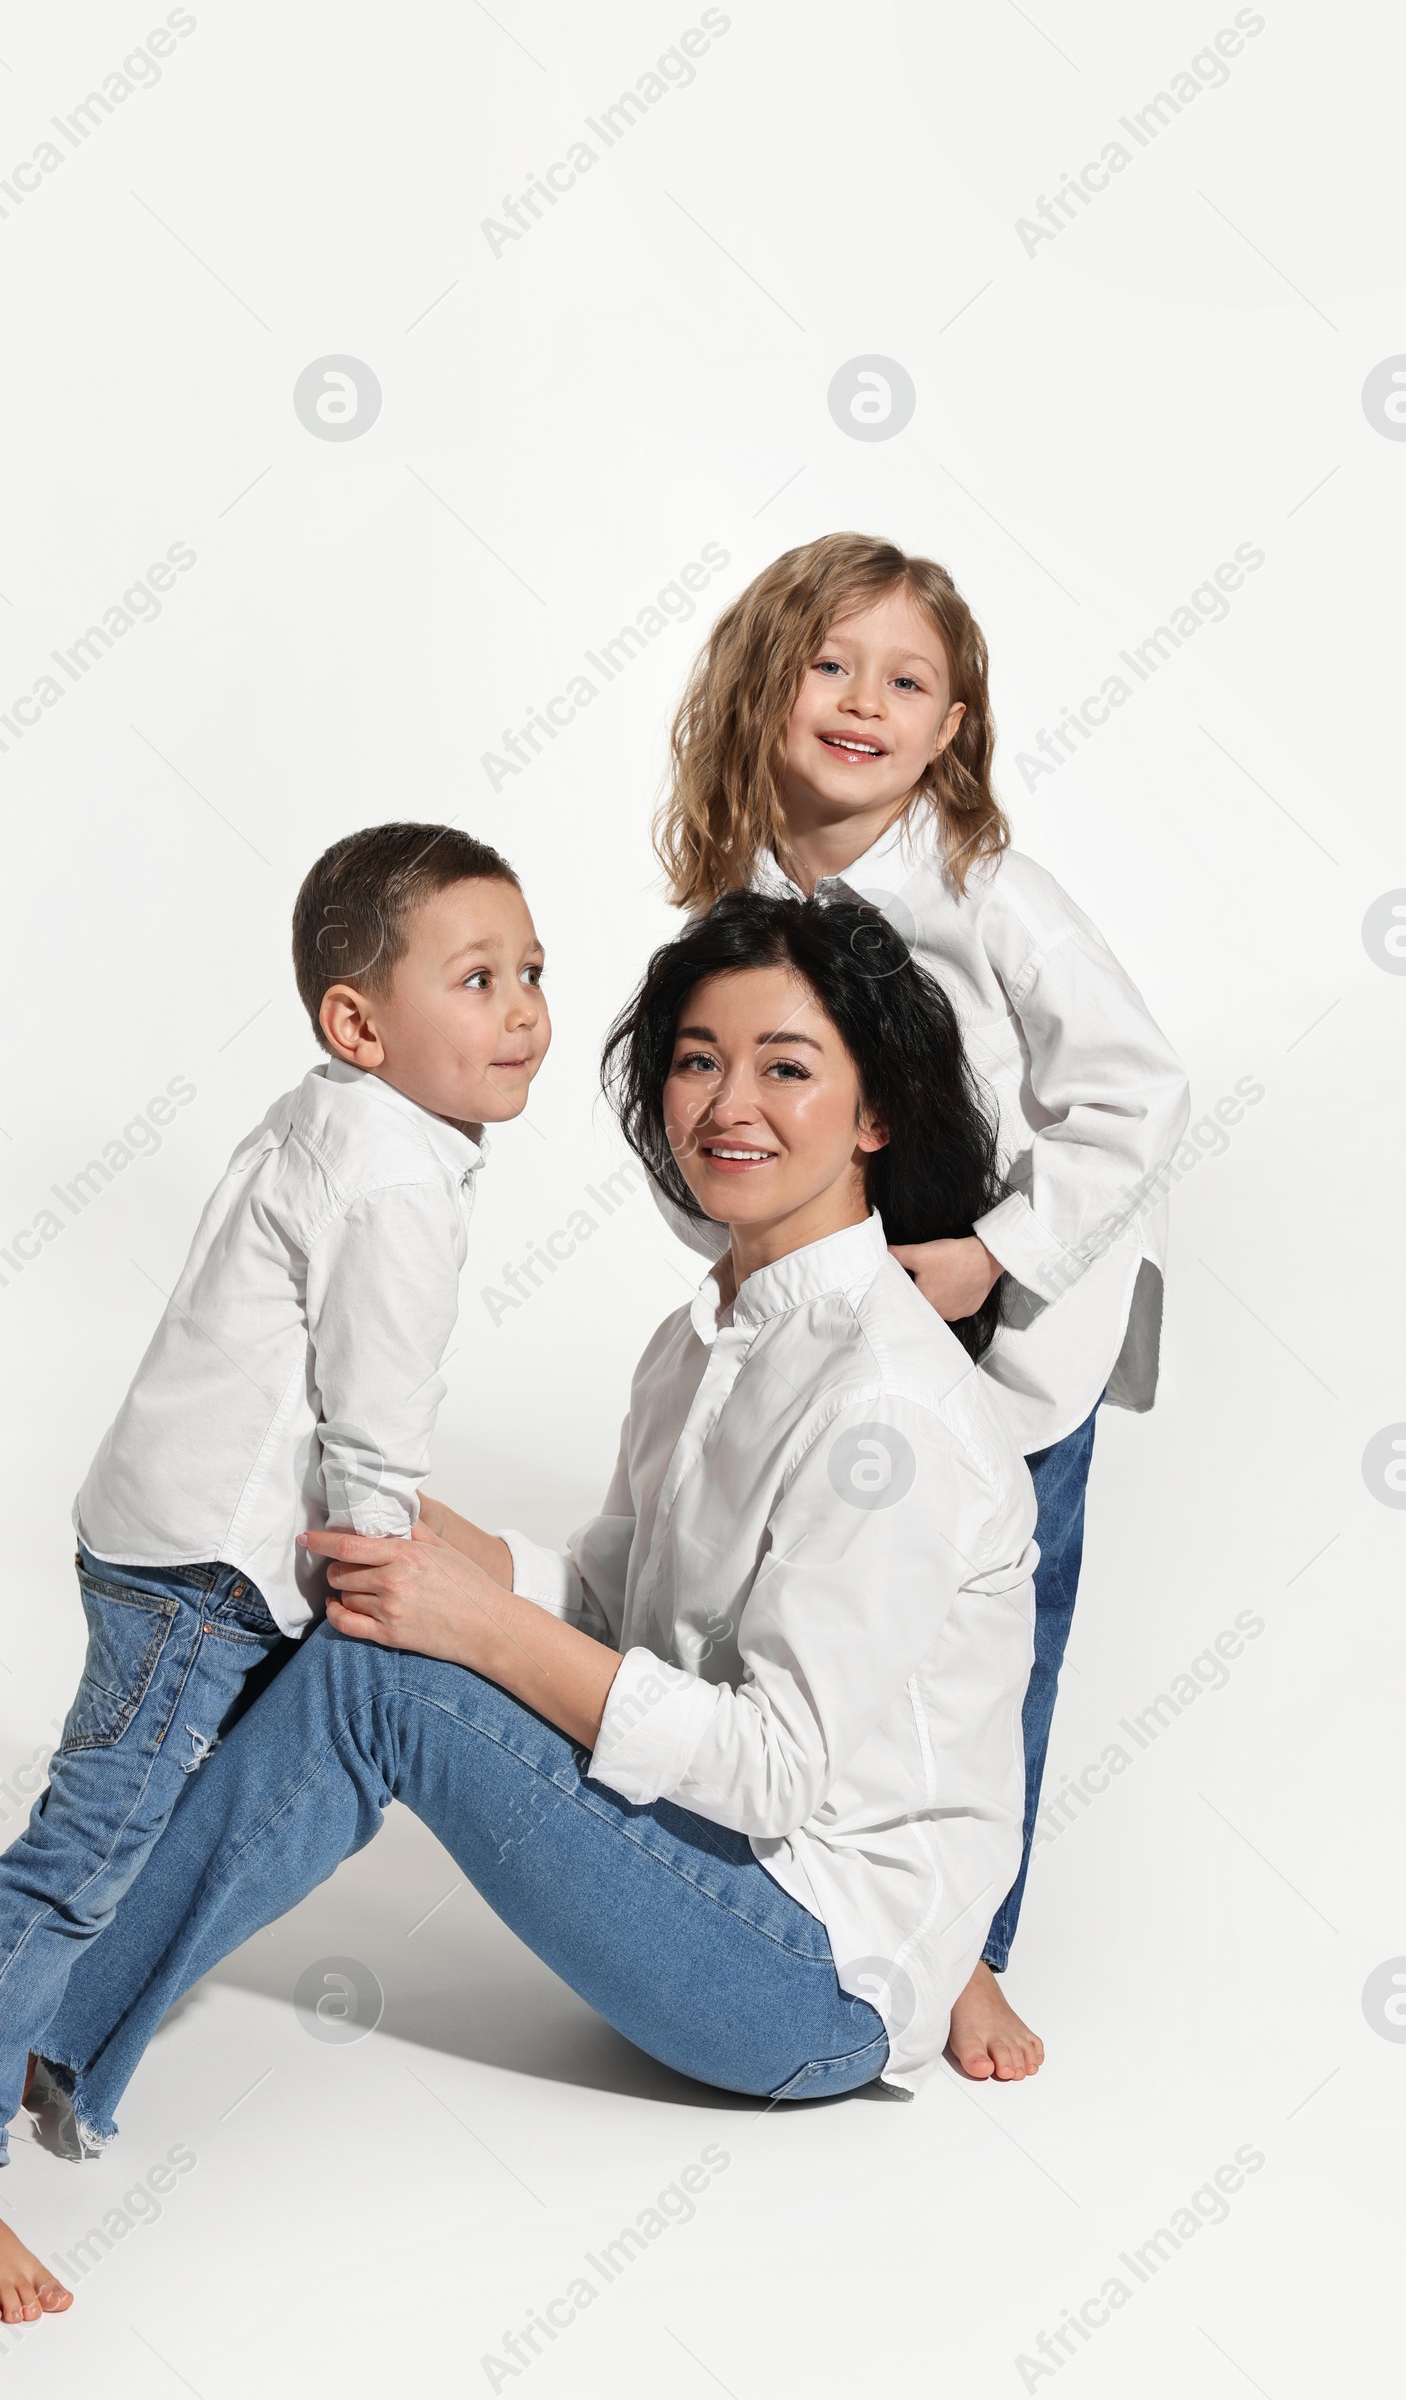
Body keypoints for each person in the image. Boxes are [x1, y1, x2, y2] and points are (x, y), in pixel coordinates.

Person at [0, 891, 1037, 2338]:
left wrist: (474, 1626)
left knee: (395, 1675)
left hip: (808, 1983)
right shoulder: (706, 1334)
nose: (727, 1102)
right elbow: (614, 1603)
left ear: (876, 1110)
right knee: (336, 1592)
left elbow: (780, 1767)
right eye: (697, 1059)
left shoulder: (883, 1404)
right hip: (718, 1876)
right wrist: (427, 1545)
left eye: (786, 1066)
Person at [0, 822, 550, 2324]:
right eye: (480, 977)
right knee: (86, 1858)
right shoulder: (396, 1176)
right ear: (357, 1023)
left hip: (165, 1543)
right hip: (204, 1579)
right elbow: (375, 1409)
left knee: (99, 1827)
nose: (523, 1012)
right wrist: (388, 1580)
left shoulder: (344, 1121)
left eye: (532, 975)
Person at [654, 533, 1191, 2079]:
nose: (864, 702)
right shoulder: (734, 906)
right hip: (844, 1327)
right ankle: (826, 1891)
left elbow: (1132, 1090)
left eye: (908, 681)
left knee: (1000, 1638)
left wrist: (997, 1257)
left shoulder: (985, 893)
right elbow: (699, 1111)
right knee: (836, 1614)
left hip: (1016, 1321)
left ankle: (974, 1950)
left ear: (952, 728)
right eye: (828, 665)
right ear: (761, 689)